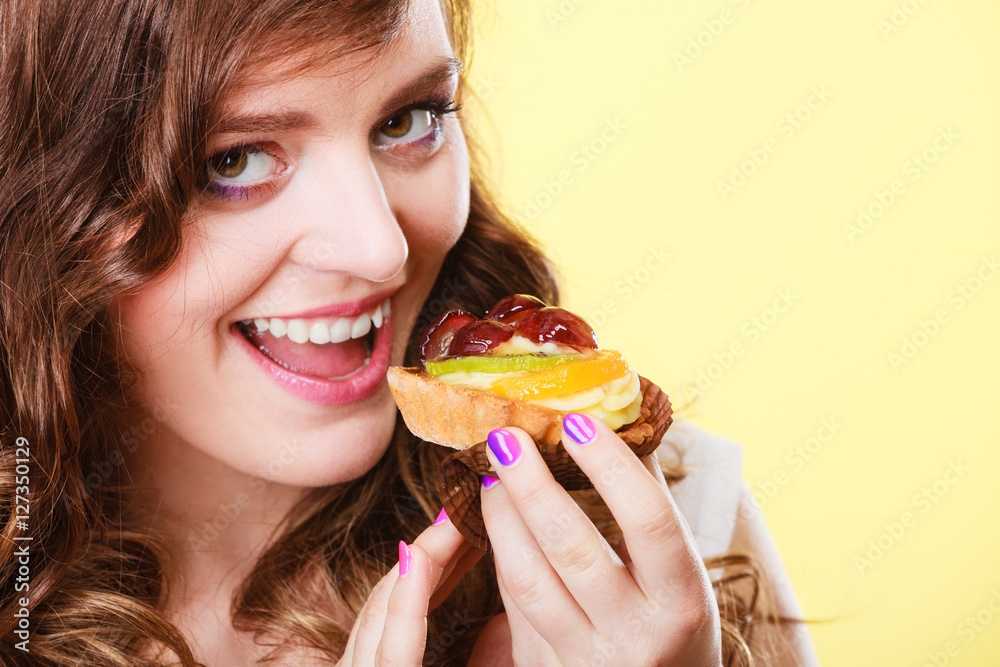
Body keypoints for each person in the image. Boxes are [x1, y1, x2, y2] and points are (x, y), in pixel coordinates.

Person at [0, 0, 820, 664]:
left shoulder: (662, 534)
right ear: (44, 199)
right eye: (236, 161)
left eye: (409, 120)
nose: (380, 247)